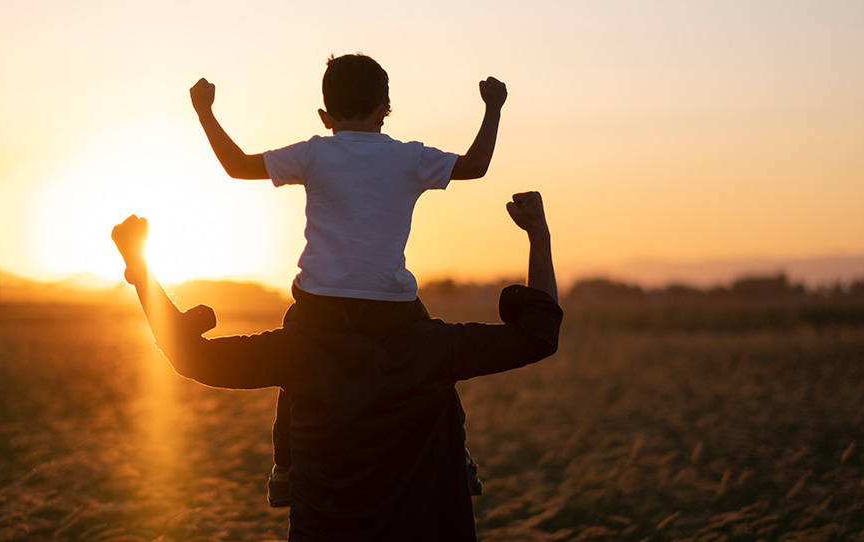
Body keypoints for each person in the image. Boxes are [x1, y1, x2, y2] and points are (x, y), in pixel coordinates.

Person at [112, 191, 562, 541]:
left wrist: (140, 267)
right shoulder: (436, 346)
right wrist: (538, 234)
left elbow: (193, 356)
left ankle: (283, 468)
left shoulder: (299, 348)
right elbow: (537, 335)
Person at [190, 53, 509, 504]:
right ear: (387, 108)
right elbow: (476, 165)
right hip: (392, 306)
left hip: (321, 304)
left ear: (324, 116)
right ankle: (458, 455)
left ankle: (285, 468)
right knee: (439, 370)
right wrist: (493, 107)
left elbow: (238, 165)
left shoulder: (315, 152)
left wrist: (205, 112)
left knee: (293, 373)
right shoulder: (409, 157)